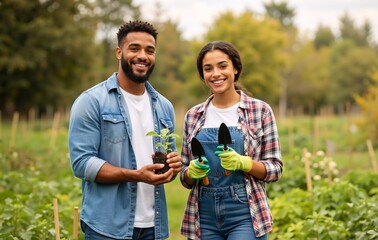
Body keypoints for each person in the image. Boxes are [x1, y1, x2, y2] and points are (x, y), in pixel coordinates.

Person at [68, 20, 182, 240]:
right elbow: (82, 163)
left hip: (154, 227)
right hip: (107, 228)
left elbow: (167, 162)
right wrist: (135, 175)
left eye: (150, 50)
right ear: (119, 52)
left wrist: (173, 167)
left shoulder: (164, 106)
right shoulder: (92, 101)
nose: (143, 56)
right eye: (134, 48)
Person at [179, 41, 283, 240]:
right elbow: (184, 177)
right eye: (208, 69)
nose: (216, 74)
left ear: (235, 68)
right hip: (204, 216)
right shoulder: (193, 116)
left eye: (222, 66)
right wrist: (191, 172)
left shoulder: (260, 111)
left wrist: (246, 163)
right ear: (203, 75)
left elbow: (275, 169)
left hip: (245, 213)